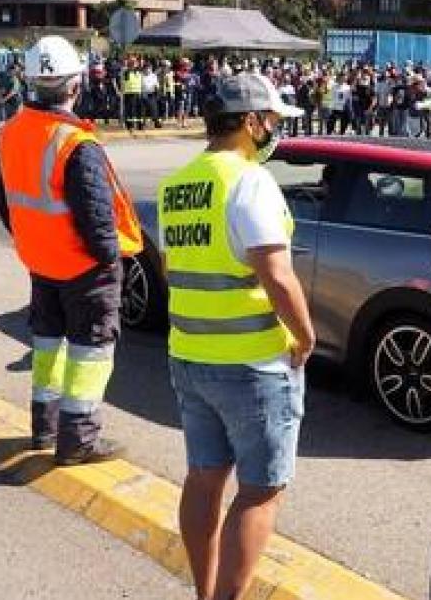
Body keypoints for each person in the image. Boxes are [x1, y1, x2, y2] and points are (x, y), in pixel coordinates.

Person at [159, 72, 314, 600]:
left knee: (204, 476)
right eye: (270, 121)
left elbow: (173, 268)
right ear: (250, 122)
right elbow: (277, 274)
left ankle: (205, 592)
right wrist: (305, 335)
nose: (273, 131)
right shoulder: (249, 181)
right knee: (261, 490)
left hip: (190, 354)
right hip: (252, 362)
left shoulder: (177, 184)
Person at [0, 36, 143, 465]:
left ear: (31, 83)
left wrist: (35, 239)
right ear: (75, 86)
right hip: (84, 268)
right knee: (90, 350)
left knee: (47, 344)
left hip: (40, 262)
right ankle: (78, 440)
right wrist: (111, 258)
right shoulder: (75, 143)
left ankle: (45, 428)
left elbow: (7, 202)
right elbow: (97, 216)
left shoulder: (12, 133)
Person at [122, 59, 144, 131]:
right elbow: (123, 82)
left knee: (139, 110)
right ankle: (130, 126)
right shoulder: (126, 73)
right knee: (130, 111)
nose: (134, 65)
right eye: (132, 64)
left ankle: (140, 125)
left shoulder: (138, 72)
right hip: (129, 93)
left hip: (138, 93)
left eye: (134, 64)